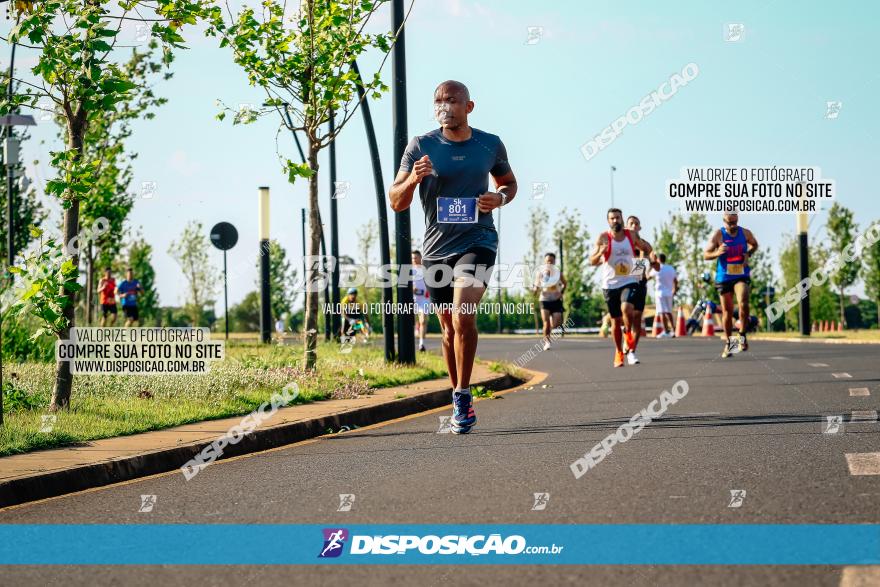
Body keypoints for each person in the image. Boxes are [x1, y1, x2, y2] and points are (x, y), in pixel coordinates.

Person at [389, 80, 517, 434]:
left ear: (468, 107)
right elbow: (396, 200)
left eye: (452, 100)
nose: (444, 105)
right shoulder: (421, 146)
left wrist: (500, 199)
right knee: (447, 328)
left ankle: (463, 395)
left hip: (478, 240)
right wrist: (413, 179)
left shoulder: (489, 144)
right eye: (438, 100)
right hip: (436, 249)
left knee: (463, 315)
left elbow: (509, 183)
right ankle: (456, 392)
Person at [590, 208, 654, 368]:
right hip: (610, 284)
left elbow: (647, 249)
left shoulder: (631, 235)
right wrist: (601, 253)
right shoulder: (604, 237)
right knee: (615, 320)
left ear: (622, 219)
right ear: (608, 221)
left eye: (617, 218)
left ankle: (628, 332)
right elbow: (592, 260)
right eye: (612, 218)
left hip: (628, 280)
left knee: (627, 308)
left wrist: (640, 265)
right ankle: (619, 351)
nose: (615, 221)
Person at [703, 213, 759, 358]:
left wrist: (748, 254)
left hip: (741, 274)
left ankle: (742, 334)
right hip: (724, 277)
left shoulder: (745, 233)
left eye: (735, 222)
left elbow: (755, 244)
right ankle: (730, 345)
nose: (733, 226)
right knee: (727, 312)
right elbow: (705, 254)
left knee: (743, 302)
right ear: (724, 222)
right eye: (730, 223)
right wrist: (717, 252)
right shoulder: (718, 235)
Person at [625, 216, 660, 350]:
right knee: (626, 315)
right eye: (631, 223)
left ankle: (632, 350)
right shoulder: (622, 244)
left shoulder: (646, 246)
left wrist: (653, 261)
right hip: (625, 284)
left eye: (636, 224)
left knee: (637, 319)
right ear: (626, 227)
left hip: (640, 283)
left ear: (639, 228)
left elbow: (656, 268)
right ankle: (626, 339)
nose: (634, 226)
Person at [532, 252, 566, 350]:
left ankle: (551, 326)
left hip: (556, 300)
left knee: (555, 323)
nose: (549, 262)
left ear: (555, 261)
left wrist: (561, 292)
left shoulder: (558, 273)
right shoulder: (540, 273)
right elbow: (536, 285)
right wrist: (535, 290)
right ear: (545, 262)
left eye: (552, 260)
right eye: (548, 261)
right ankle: (547, 342)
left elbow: (565, 284)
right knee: (545, 323)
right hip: (544, 300)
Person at [652, 253, 679, 338]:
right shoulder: (670, 268)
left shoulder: (657, 268)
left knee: (661, 312)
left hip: (660, 293)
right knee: (669, 312)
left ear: (658, 260)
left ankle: (666, 331)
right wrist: (674, 289)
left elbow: (648, 276)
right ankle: (674, 330)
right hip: (669, 293)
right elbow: (675, 280)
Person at [411, 250, 431, 352]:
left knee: (423, 320)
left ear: (420, 258)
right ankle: (417, 328)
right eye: (413, 258)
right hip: (413, 299)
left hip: (424, 298)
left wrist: (429, 291)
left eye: (416, 258)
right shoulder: (410, 270)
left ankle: (421, 344)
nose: (414, 260)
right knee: (413, 321)